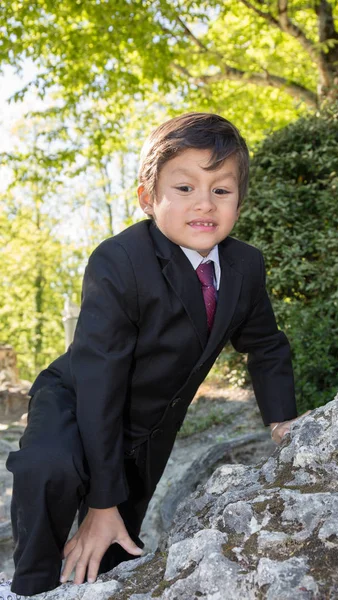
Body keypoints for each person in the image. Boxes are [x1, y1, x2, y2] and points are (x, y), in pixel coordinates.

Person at [3, 112, 300, 599]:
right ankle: (31, 587)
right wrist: (101, 499)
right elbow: (101, 383)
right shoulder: (119, 262)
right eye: (184, 188)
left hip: (149, 428)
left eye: (221, 190)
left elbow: (265, 345)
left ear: (240, 201)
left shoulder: (245, 265)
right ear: (148, 198)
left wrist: (281, 421)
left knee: (114, 548)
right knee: (50, 471)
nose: (204, 203)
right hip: (80, 402)